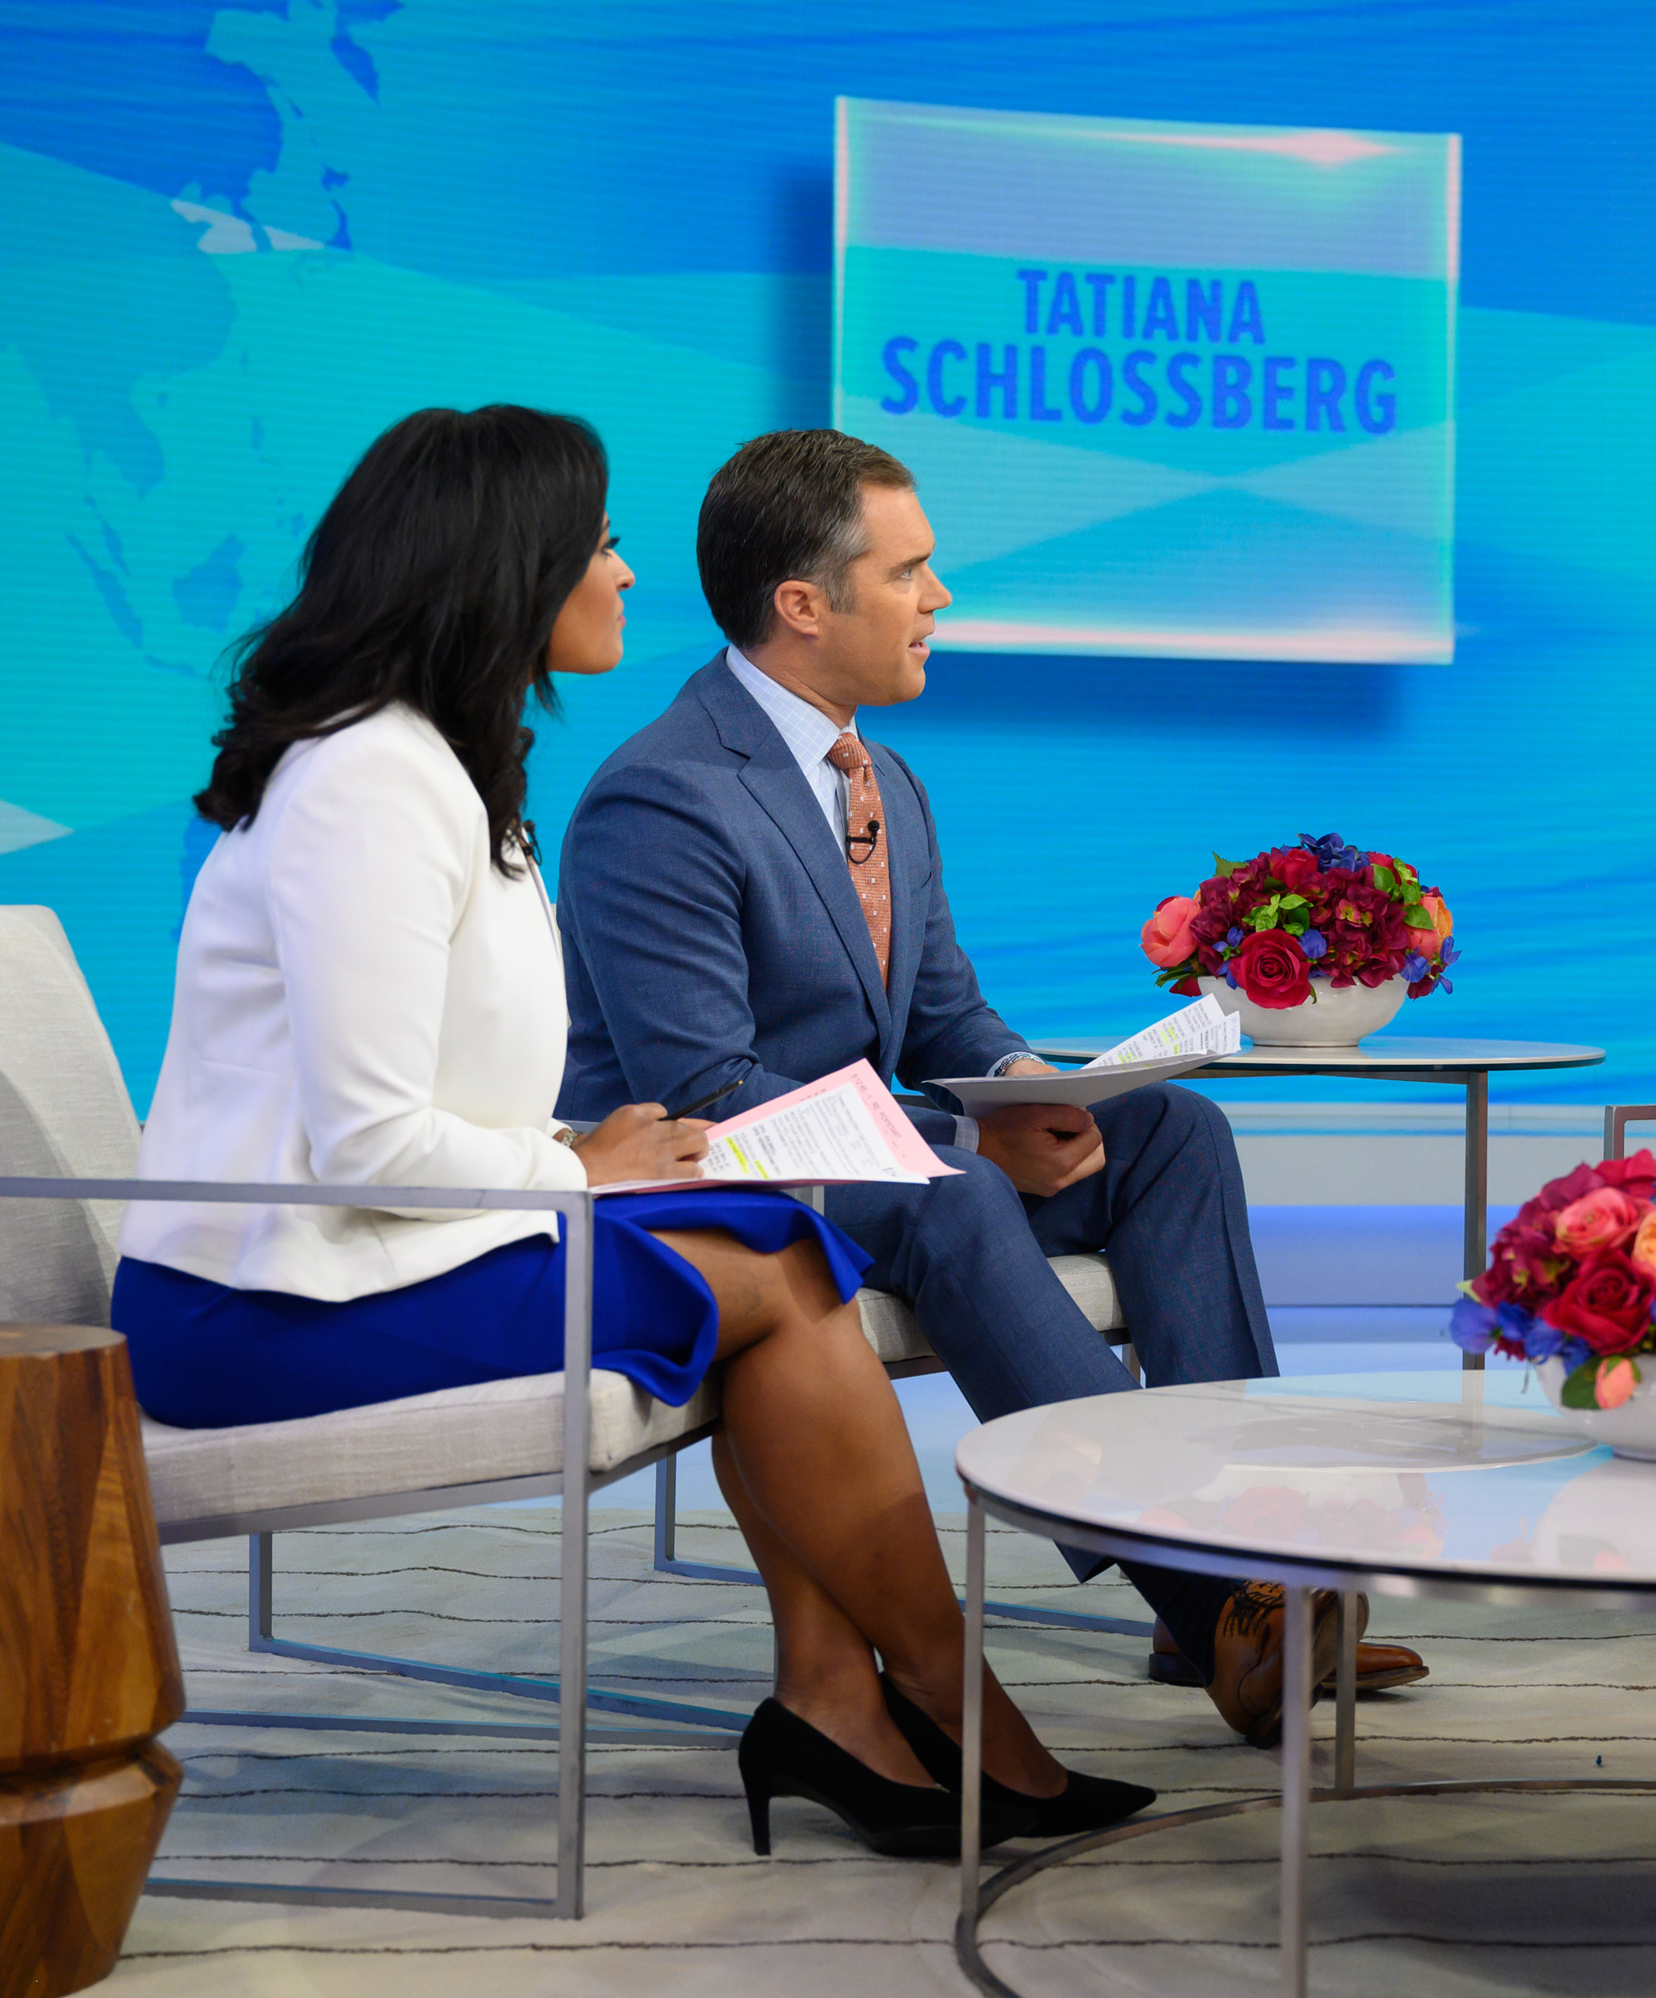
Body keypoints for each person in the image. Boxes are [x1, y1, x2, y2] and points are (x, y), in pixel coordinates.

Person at [113, 405, 1150, 1856]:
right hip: (271, 1297)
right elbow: (368, 1145)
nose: (625, 576)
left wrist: (578, 1159)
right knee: (781, 1273)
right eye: (599, 544)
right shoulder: (368, 782)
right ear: (506, 565)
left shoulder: (442, 768)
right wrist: (577, 1163)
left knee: (777, 1255)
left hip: (387, 1252)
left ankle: (843, 1700)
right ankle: (941, 1705)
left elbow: (425, 1105)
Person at [554, 428, 1428, 1743]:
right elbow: (707, 1086)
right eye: (912, 572)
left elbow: (947, 1011)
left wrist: (1031, 1092)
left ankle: (1253, 1560)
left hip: (886, 1159)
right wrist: (969, 1134)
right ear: (804, 604)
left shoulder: (883, 776)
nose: (940, 599)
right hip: (725, 1179)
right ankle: (1216, 1606)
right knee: (955, 1184)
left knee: (1174, 1136)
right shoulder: (661, 797)